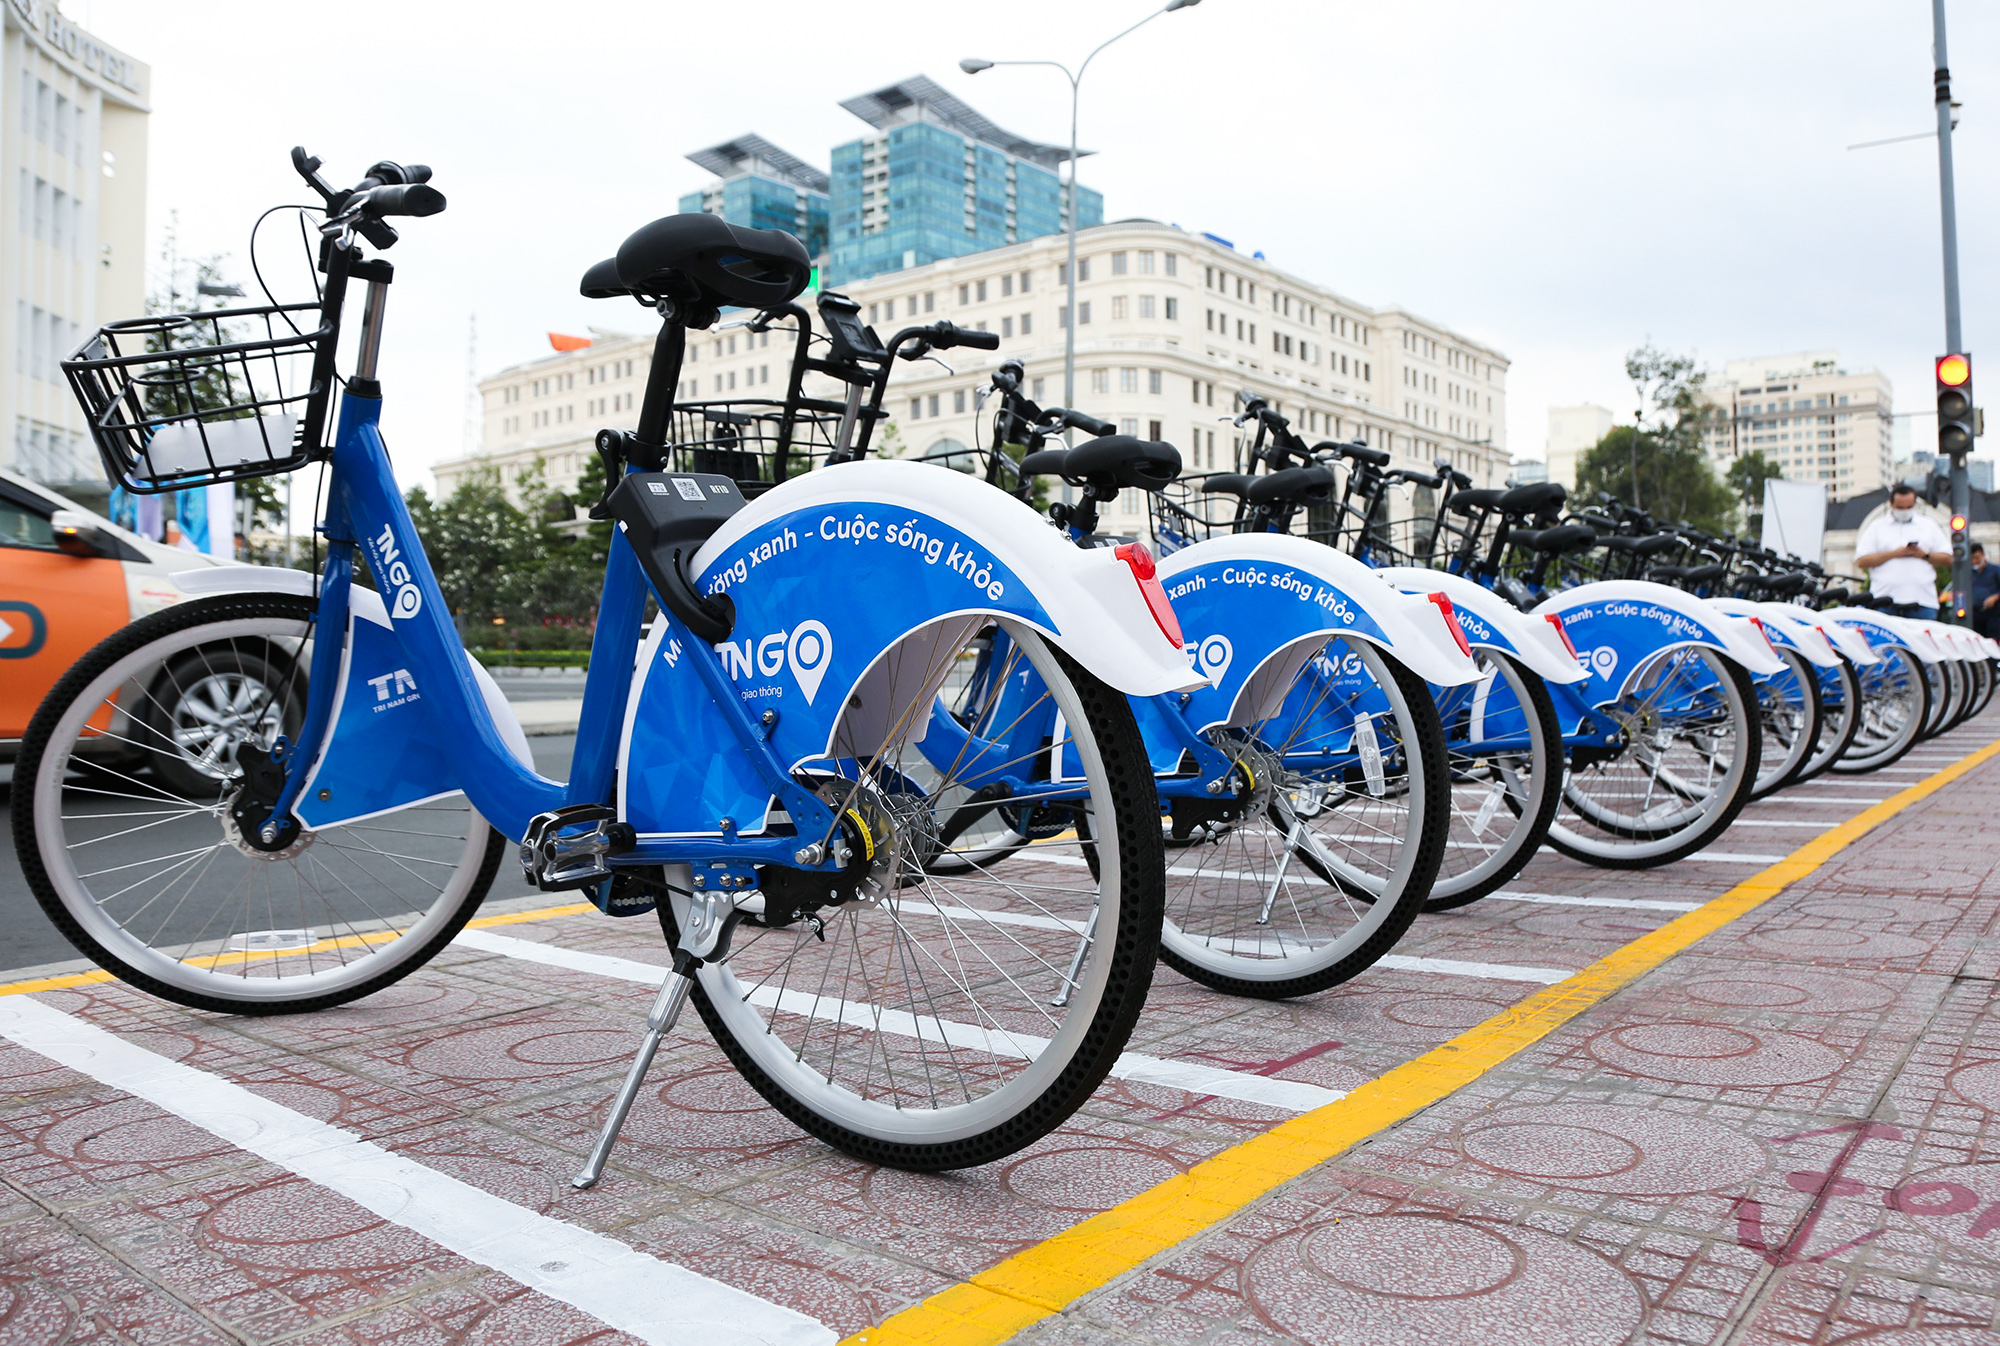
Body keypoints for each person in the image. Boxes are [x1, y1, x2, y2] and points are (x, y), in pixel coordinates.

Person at [1855, 485, 1952, 619]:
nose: (1905, 511)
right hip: (1884, 601)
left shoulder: (1928, 525)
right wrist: (1894, 554)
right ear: (1891, 504)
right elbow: (1862, 561)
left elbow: (1948, 558)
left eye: (1909, 507)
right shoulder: (1877, 527)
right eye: (1900, 507)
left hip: (1923, 601)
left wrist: (1925, 555)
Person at [1970, 542, 2000, 636]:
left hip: (1993, 614)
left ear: (1983, 555)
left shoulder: (1995, 570)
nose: (1975, 561)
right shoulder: (1969, 573)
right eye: (1972, 559)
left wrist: (1995, 597)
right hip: (1975, 614)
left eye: (1977, 558)